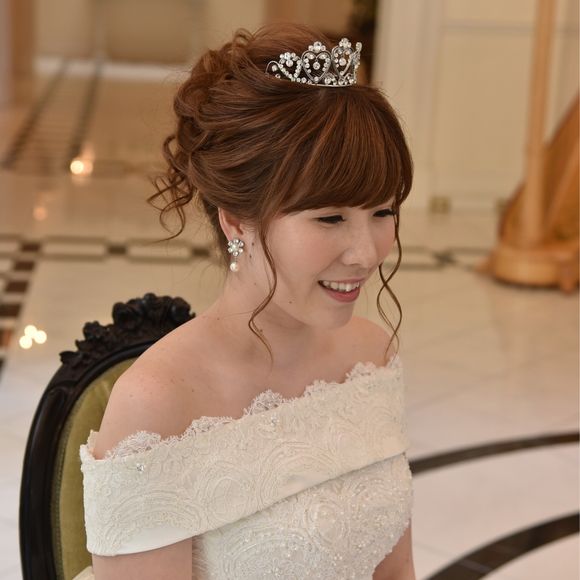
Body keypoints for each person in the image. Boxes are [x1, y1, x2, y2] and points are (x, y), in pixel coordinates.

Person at [74, 21, 415, 580]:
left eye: (383, 212)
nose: (365, 253)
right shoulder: (158, 404)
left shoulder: (371, 357)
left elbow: (396, 572)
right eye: (330, 218)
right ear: (237, 221)